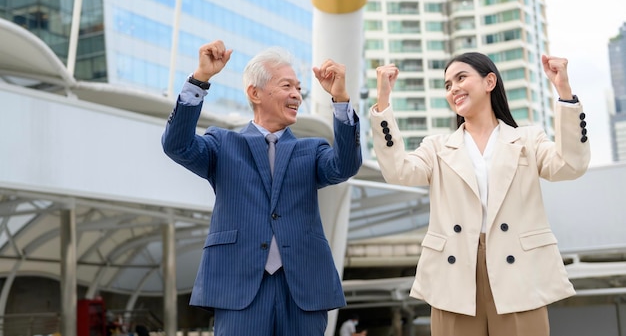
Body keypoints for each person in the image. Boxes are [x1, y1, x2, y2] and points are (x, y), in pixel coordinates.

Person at [370, 52, 590, 336]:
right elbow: (398, 171)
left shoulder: (527, 139)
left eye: (461, 78)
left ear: (489, 82)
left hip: (520, 273)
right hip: (454, 273)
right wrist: (384, 103)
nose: (453, 89)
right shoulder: (436, 147)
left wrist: (564, 92)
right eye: (448, 85)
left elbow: (571, 165)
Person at [162, 40, 362, 335]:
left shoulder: (312, 150)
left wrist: (340, 99)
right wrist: (200, 79)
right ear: (255, 93)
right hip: (238, 287)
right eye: (287, 86)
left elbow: (345, 166)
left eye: (299, 89)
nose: (296, 94)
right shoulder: (222, 145)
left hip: (303, 290)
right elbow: (176, 145)